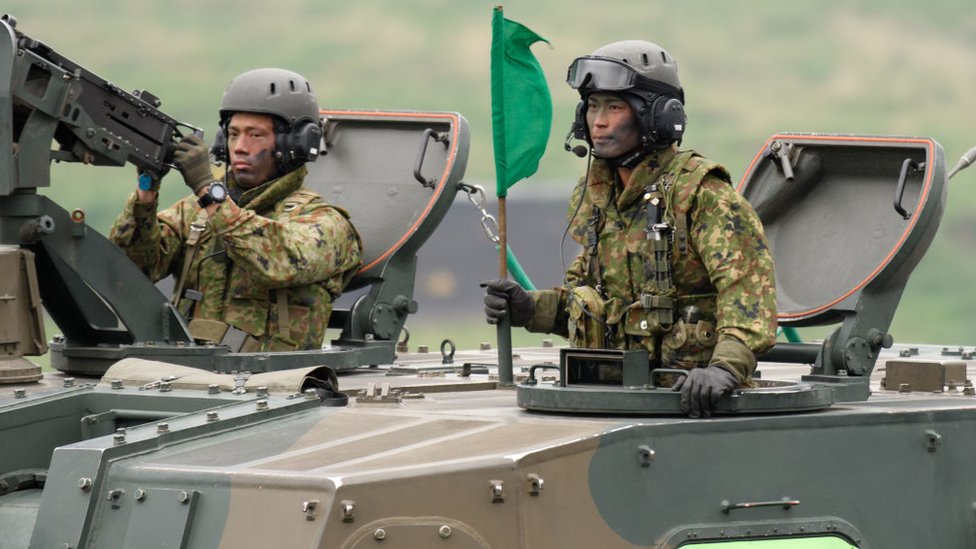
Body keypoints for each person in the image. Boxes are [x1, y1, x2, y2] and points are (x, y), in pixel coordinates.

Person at [483, 41, 776, 418]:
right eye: (592, 106)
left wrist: (724, 369)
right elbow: (592, 301)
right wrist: (530, 307)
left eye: (614, 107)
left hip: (692, 405)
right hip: (616, 398)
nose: (598, 122)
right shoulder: (596, 195)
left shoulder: (703, 196)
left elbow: (750, 297)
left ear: (655, 116)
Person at [110, 68, 362, 352]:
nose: (240, 147)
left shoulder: (327, 224)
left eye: (255, 135)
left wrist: (207, 189)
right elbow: (133, 268)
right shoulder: (195, 212)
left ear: (294, 144)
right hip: (187, 373)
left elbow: (276, 262)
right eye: (233, 134)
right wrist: (147, 188)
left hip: (274, 384)